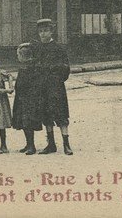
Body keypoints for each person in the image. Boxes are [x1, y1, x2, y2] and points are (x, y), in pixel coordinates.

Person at [33, 19, 72, 155]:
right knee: (46, 115)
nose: (43, 34)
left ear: (51, 31)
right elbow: (33, 67)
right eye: (41, 31)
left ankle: (66, 144)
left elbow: (66, 68)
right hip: (42, 87)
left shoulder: (58, 48)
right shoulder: (36, 49)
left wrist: (56, 77)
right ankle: (51, 144)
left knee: (61, 114)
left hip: (56, 87)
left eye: (46, 31)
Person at [11, 43, 41, 155]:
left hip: (29, 99)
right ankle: (28, 144)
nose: (17, 57)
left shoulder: (30, 67)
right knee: (24, 122)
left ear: (23, 56)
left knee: (28, 122)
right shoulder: (25, 66)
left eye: (18, 54)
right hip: (22, 98)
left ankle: (31, 146)